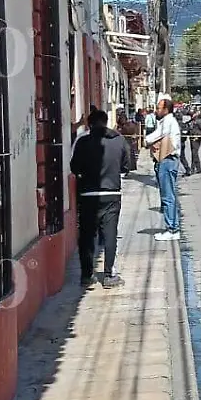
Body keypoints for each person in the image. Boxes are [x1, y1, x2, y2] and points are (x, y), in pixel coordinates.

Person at [69, 108, 132, 289]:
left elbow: (74, 167)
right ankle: (109, 275)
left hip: (88, 195)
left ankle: (87, 275)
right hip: (112, 193)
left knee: (87, 235)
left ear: (89, 124)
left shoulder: (82, 142)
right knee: (110, 234)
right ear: (105, 122)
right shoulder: (119, 140)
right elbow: (127, 165)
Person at [144, 98, 182, 241]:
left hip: (168, 160)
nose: (156, 110)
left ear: (166, 110)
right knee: (167, 195)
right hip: (165, 160)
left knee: (167, 196)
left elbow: (159, 135)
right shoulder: (166, 121)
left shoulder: (168, 121)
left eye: (159, 108)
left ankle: (172, 228)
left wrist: (147, 140)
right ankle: (172, 226)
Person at [187, 109, 201, 174]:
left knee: (194, 153)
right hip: (191, 139)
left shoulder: (198, 121)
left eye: (192, 114)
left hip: (197, 139)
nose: (191, 116)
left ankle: (192, 169)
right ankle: (199, 169)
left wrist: (198, 136)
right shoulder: (191, 121)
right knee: (194, 154)